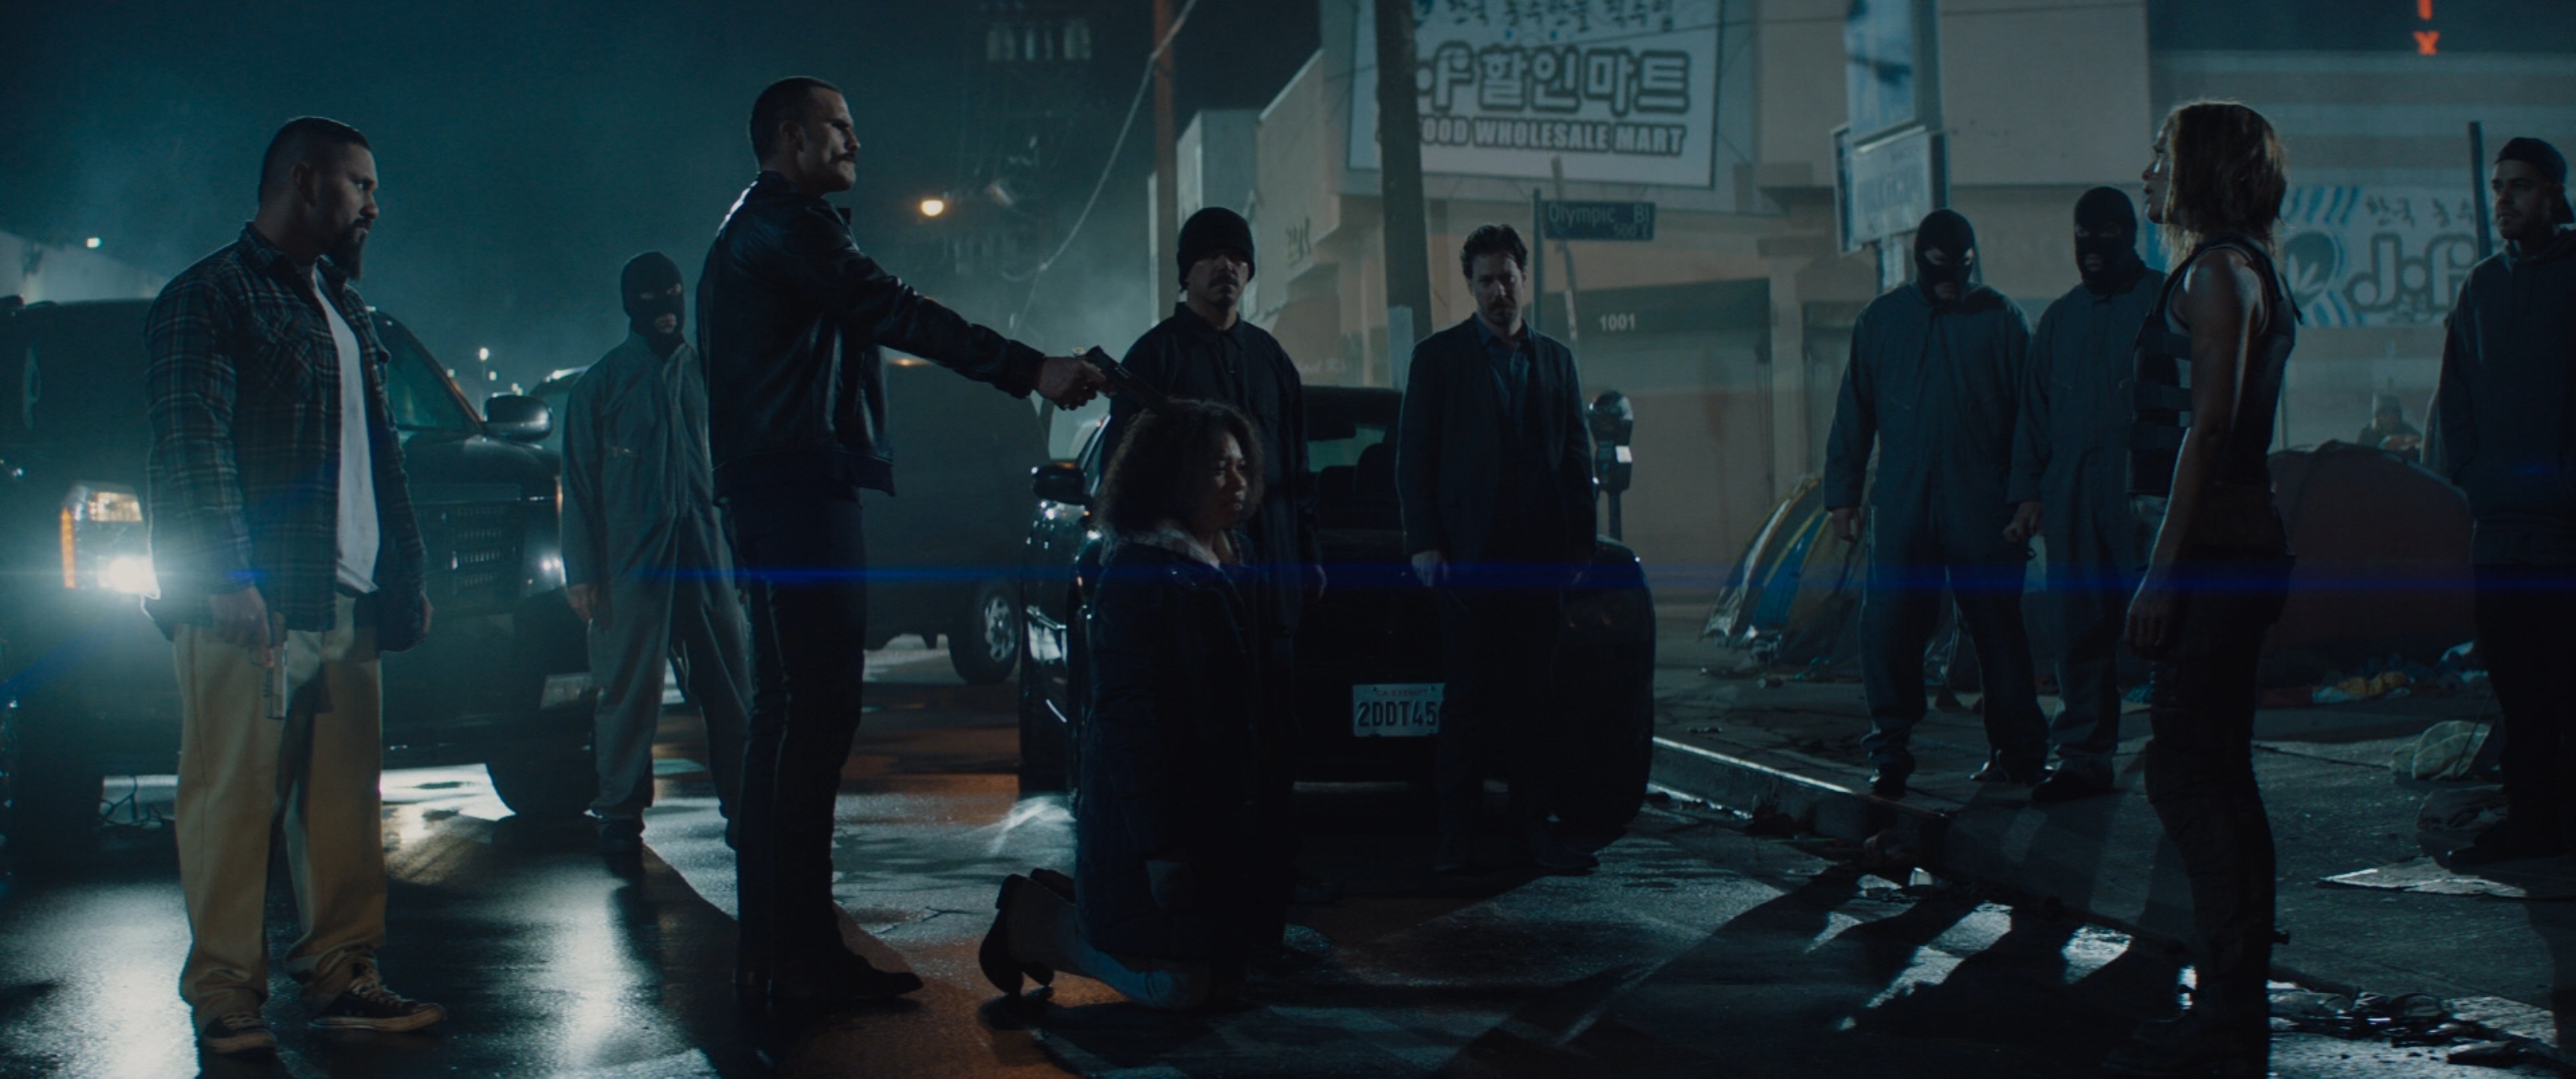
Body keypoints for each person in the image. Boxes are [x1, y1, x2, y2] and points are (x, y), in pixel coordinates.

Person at [699, 76, 1104, 1006]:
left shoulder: (756, 227)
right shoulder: (791, 225)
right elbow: (895, 309)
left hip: (774, 487)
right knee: (814, 716)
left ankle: (777, 948)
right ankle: (800, 955)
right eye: (839, 127)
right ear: (792, 137)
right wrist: (1031, 369)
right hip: (799, 486)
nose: (855, 142)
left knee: (786, 718)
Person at [145, 116, 444, 1055]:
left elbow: (380, 456)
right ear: (305, 181)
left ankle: (343, 975)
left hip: (345, 598)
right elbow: (192, 443)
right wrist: (229, 573)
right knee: (232, 800)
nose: (374, 206)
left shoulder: (343, 306)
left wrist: (402, 574)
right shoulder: (209, 295)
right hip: (254, 603)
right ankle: (225, 993)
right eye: (362, 185)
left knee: (343, 808)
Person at [2109, 100, 2301, 1078]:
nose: (2147, 173)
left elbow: (2210, 426)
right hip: (2232, 550)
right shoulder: (2239, 267)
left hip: (2215, 556)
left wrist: (2160, 571)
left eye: (2161, 156)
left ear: (2202, 169)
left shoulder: (2219, 273)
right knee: (2217, 773)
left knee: (2186, 772)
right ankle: (2233, 1002)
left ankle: (2229, 1010)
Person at [982, 400, 1275, 1010]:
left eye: (1242, 466)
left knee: (1228, 981)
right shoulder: (1142, 575)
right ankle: (1038, 921)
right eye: (1217, 468)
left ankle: (1078, 904)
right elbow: (1125, 721)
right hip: (1148, 830)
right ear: (1173, 477)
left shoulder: (1229, 564)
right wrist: (1160, 847)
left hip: (1211, 826)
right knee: (1179, 990)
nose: (1236, 483)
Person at [1100, 205, 1321, 944]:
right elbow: (1126, 479)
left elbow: (1296, 472)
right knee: (1202, 744)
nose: (1226, 267)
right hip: (1186, 595)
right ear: (1186, 272)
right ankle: (1204, 900)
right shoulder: (1154, 357)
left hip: (1268, 591)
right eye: (1210, 256)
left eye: (1238, 257)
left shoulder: (1271, 360)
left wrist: (1306, 556)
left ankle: (1272, 894)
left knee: (1274, 743)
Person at [1823, 209, 2050, 800]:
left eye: (1961, 269)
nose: (1952, 282)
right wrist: (1842, 495)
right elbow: (1855, 411)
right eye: (1942, 270)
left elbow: (2030, 416)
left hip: (1981, 501)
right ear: (1922, 263)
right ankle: (1890, 749)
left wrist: (2028, 491)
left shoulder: (2001, 320)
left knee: (1997, 628)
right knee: (1891, 627)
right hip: (1907, 500)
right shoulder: (1883, 322)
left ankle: (2019, 752)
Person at [1397, 224, 1599, 874]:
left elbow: (1577, 456)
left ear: (1523, 279)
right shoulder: (1439, 359)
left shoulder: (1555, 360)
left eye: (1507, 278)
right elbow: (1414, 458)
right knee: (1467, 701)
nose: (1498, 291)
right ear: (1470, 286)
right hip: (1467, 558)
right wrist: (1426, 542)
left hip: (1538, 557)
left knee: (1536, 700)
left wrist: (1581, 544)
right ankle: (1456, 839)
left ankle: (1533, 829)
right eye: (1485, 280)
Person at [560, 251, 751, 859]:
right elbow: (579, 485)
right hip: (631, 567)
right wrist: (582, 572)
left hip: (706, 557)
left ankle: (748, 807)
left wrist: (745, 557)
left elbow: (737, 471)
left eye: (671, 295)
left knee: (731, 687)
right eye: (650, 300)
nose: (665, 310)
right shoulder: (601, 386)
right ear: (630, 306)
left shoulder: (710, 376)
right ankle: (620, 813)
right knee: (626, 693)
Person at [2432, 136, 2576, 871]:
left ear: (2554, 193)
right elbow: (2454, 394)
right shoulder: (2482, 286)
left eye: (2519, 185)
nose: (2505, 200)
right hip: (2499, 530)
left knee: (2565, 685)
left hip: (2565, 534)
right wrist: (2474, 475)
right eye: (2498, 187)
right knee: (2517, 688)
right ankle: (2531, 824)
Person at [2015, 188, 2167, 803]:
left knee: (2166, 624)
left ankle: (2180, 750)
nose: (2092, 249)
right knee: (2078, 624)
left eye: (2105, 234)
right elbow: (2035, 414)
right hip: (2075, 490)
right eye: (2083, 235)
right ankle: (2083, 756)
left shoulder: (2164, 303)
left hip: (2146, 492)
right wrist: (2028, 493)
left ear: (2128, 235)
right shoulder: (2061, 319)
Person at [2357, 393, 2424, 462]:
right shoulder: (2366, 434)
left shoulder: (2409, 432)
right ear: (2377, 417)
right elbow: (2360, 458)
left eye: (2394, 414)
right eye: (2385, 414)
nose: (2390, 418)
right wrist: (2382, 447)